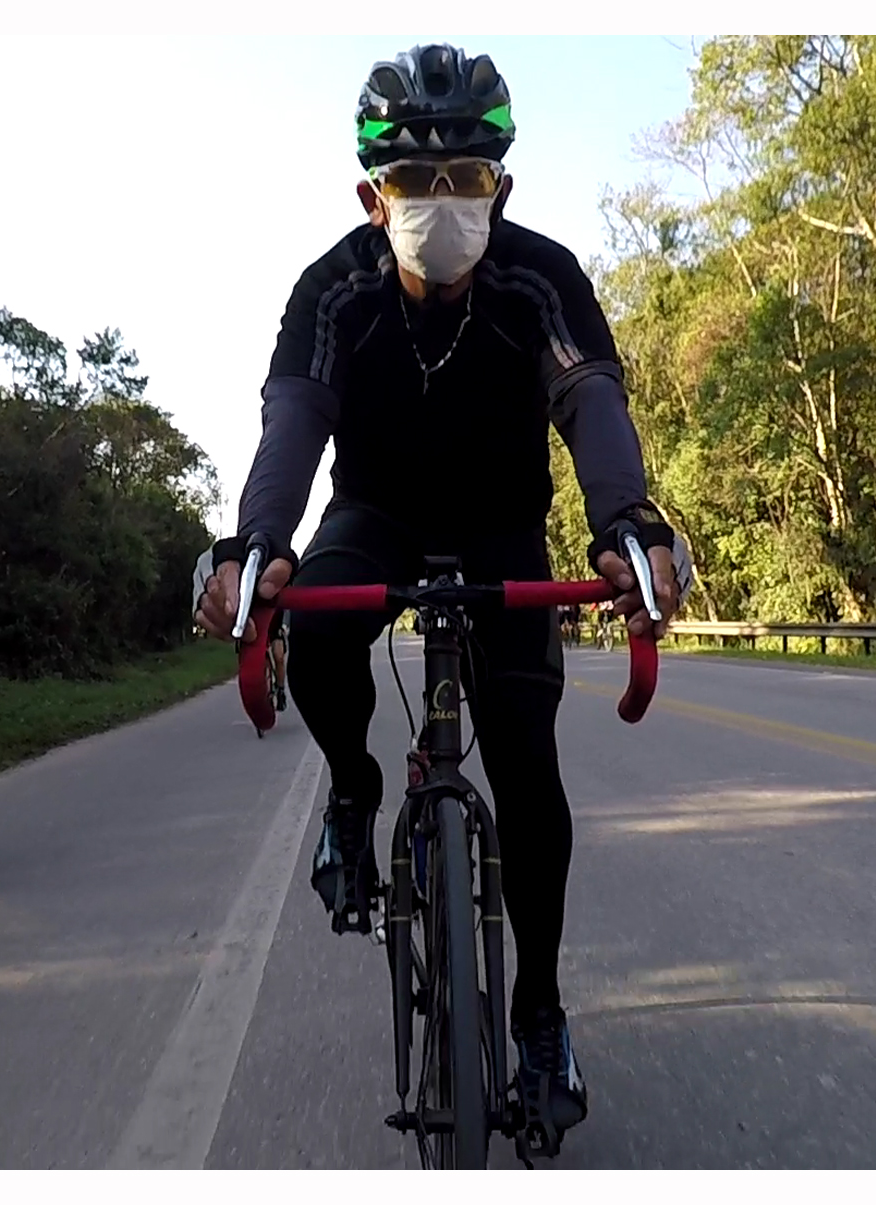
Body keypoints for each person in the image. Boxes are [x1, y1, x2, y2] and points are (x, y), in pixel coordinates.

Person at [192, 43, 692, 1145]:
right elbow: (293, 425)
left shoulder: (540, 278)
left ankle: (540, 1015)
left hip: (501, 525)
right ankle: (354, 790)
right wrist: (257, 543)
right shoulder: (333, 289)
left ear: (499, 187)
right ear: (372, 196)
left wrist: (627, 522)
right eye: (415, 180)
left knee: (527, 764)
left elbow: (591, 402)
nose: (441, 201)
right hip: (374, 514)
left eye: (464, 177)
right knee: (322, 633)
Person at [267, 608, 289, 711]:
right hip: (260, 626)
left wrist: (284, 625)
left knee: (279, 657)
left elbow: (287, 608)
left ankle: (280, 690)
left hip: (276, 626)